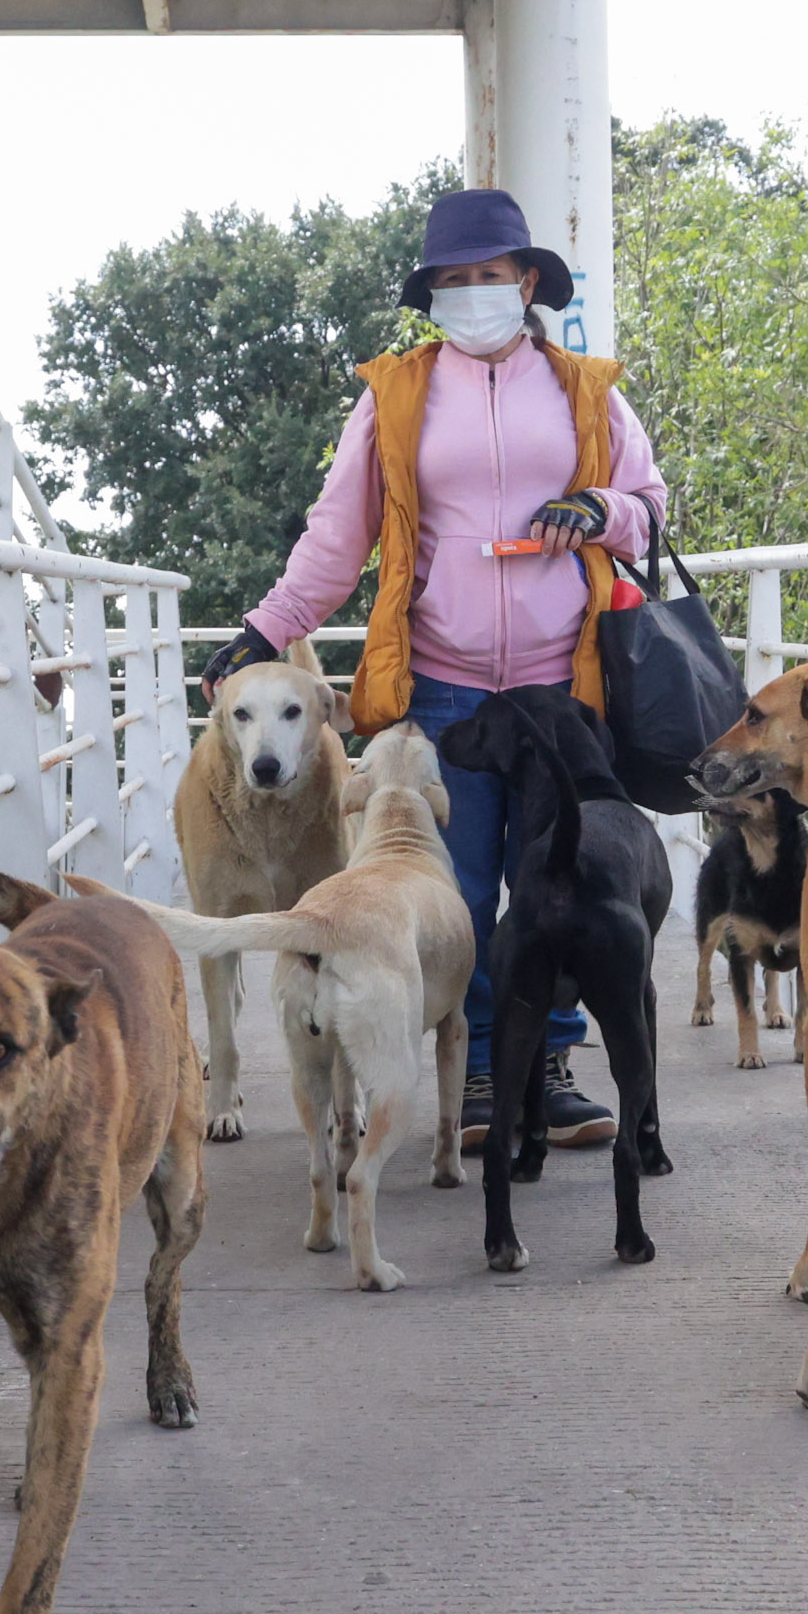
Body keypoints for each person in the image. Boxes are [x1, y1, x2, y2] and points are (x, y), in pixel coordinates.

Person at [202, 187, 669, 1153]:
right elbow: (339, 537)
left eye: (488, 277)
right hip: (444, 683)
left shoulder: (589, 389)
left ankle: (554, 1063)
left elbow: (654, 509)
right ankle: (489, 1067)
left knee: (563, 874)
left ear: (527, 282)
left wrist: (602, 511)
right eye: (451, 281)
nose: (471, 294)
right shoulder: (395, 396)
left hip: (562, 687)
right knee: (455, 886)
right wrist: (265, 628)